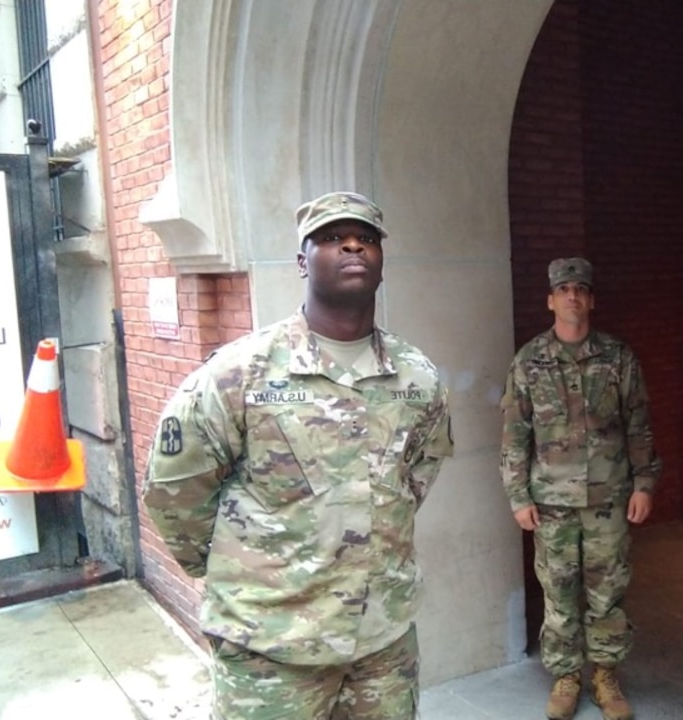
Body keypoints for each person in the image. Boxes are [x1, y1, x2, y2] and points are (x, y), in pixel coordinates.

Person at [143, 191, 453, 720]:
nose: (353, 246)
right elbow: (176, 488)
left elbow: (416, 475)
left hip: (381, 641)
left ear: (380, 262)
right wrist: (236, 573)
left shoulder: (416, 376)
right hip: (271, 647)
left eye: (367, 238)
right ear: (302, 261)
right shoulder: (240, 373)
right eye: (332, 237)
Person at [499, 257, 661, 720]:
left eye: (581, 289)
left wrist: (644, 483)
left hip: (609, 498)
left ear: (591, 300)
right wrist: (518, 495)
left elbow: (639, 426)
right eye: (564, 288)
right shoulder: (529, 361)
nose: (573, 295)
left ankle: (606, 675)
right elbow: (515, 432)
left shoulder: (618, 358)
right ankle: (566, 676)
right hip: (550, 503)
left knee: (608, 591)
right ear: (550, 300)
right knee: (559, 592)